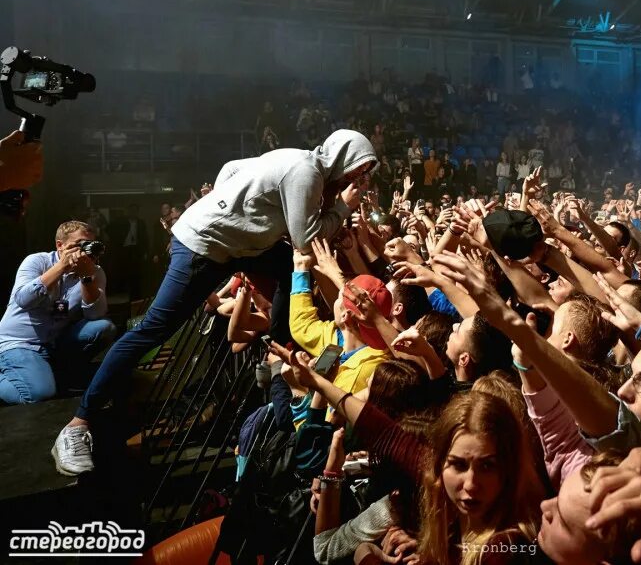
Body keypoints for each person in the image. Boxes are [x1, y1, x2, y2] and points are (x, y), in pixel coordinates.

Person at [50, 130, 376, 476]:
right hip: (202, 248)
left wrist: (235, 211)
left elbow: (231, 169)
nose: (360, 178)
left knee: (284, 268)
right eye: (359, 169)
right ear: (343, 158)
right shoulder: (307, 172)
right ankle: (77, 425)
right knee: (152, 331)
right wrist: (342, 208)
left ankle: (278, 350)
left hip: (235, 247)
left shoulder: (297, 158)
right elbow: (305, 241)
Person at [0, 221, 115, 405]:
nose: (84, 251)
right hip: (20, 342)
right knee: (39, 393)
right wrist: (61, 267)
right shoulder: (37, 261)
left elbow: (96, 314)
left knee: (104, 327)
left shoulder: (94, 271)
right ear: (60, 245)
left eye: (89, 244)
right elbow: (23, 299)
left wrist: (86, 278)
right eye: (79, 244)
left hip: (54, 343)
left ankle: (55, 372)